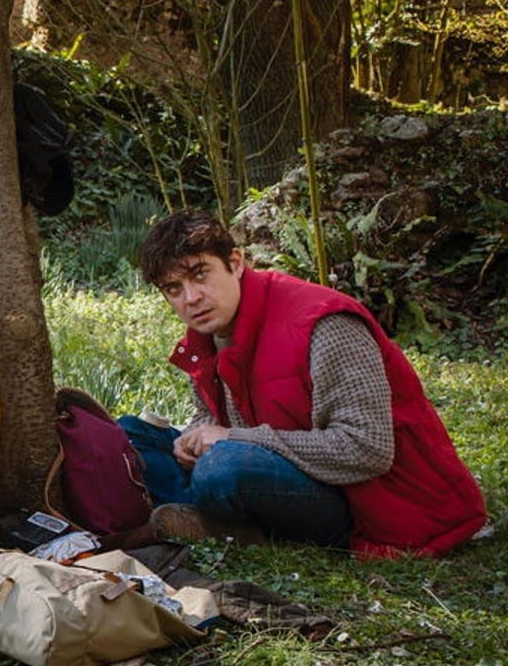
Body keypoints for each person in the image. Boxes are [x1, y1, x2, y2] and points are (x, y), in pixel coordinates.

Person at [122, 210, 486, 558]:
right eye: (173, 288)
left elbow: (367, 450)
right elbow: (212, 413)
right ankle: (207, 517)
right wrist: (197, 433)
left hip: (365, 501)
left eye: (200, 274)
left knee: (222, 468)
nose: (190, 298)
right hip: (268, 464)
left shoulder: (324, 325)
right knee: (127, 437)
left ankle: (204, 515)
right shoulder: (210, 328)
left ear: (235, 262)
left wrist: (231, 438)